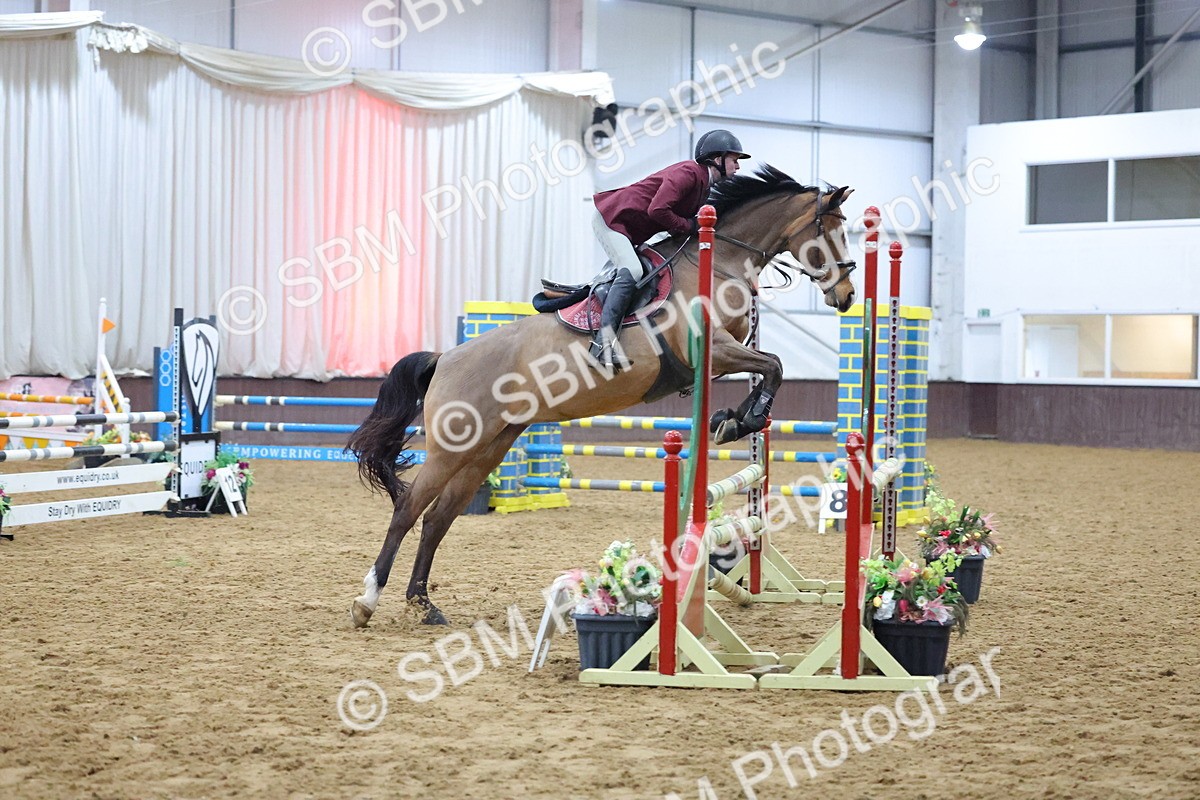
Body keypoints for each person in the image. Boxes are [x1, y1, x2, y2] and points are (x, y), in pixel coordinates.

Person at [589, 129, 750, 370]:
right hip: (613, 220)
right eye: (734, 160)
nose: (737, 166)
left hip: (633, 229)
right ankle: (602, 344)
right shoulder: (688, 173)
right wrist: (689, 226)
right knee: (632, 270)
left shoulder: (704, 184)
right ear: (717, 159)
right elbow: (658, 210)